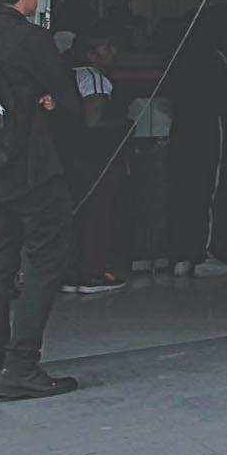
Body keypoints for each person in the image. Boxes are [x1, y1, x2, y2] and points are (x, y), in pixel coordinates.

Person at [0, 0, 81, 399]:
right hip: (31, 169)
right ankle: (21, 366)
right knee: (45, 262)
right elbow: (69, 102)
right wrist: (49, 101)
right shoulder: (29, 39)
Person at [166, 4, 227, 279]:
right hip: (209, 129)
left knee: (182, 190)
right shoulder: (216, 58)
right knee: (207, 191)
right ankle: (203, 254)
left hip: (181, 128)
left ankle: (182, 255)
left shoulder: (178, 55)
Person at [62, 31, 127, 294]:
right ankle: (93, 273)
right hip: (95, 157)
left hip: (70, 155)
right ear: (90, 55)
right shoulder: (93, 77)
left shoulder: (66, 75)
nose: (114, 52)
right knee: (98, 214)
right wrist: (127, 124)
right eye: (107, 47)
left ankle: (71, 271)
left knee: (76, 214)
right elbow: (93, 121)